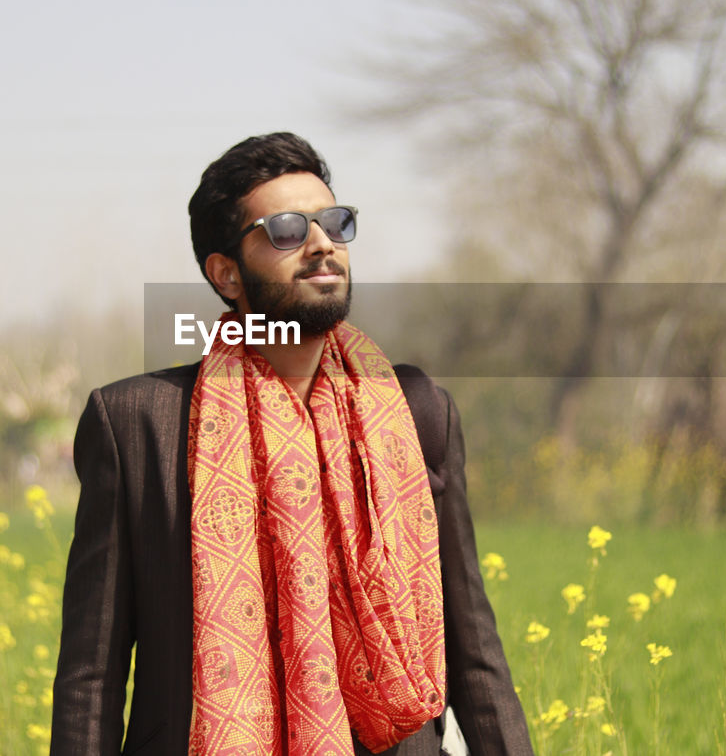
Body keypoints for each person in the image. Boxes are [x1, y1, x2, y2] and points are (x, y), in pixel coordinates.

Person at [51, 133, 532, 755]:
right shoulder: (138, 425)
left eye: (335, 222)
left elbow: (474, 651)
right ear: (225, 273)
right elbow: (92, 675)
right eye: (285, 229)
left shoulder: (414, 411)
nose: (321, 244)